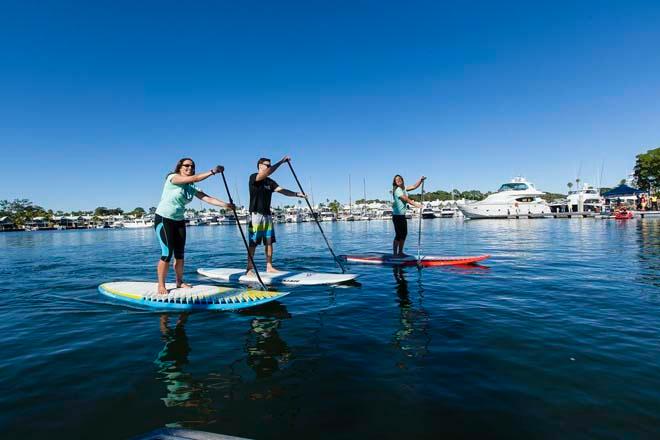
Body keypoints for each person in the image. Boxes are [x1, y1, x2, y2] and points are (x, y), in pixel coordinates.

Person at [154, 158, 234, 295]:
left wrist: (226, 205)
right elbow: (196, 178)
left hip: (179, 220)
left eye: (192, 166)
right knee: (167, 254)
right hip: (164, 219)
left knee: (180, 254)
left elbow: (207, 198)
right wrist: (213, 171)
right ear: (180, 167)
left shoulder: (192, 186)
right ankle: (161, 285)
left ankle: (179, 281)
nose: (189, 168)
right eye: (186, 165)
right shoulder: (172, 178)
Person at [246, 156, 307, 274]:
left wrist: (297, 194)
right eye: (267, 165)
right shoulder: (254, 177)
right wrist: (281, 162)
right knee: (253, 243)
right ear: (260, 166)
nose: (269, 167)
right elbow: (266, 173)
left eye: (270, 165)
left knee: (269, 242)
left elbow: (282, 190)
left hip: (267, 215)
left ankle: (269, 267)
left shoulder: (270, 182)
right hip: (256, 216)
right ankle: (249, 268)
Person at [391, 174, 425, 256]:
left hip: (402, 216)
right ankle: (395, 254)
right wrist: (416, 204)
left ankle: (400, 252)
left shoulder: (404, 188)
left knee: (404, 234)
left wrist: (420, 181)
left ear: (402, 180)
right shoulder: (397, 190)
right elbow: (405, 199)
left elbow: (414, 186)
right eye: (396, 180)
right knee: (398, 235)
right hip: (397, 216)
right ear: (395, 182)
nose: (398, 180)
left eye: (399, 179)